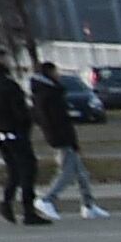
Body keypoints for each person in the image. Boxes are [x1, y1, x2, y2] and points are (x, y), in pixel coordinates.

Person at [0, 56, 43, 228]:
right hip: (16, 132)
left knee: (13, 171)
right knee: (28, 169)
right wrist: (26, 123)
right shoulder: (10, 86)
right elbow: (20, 110)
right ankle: (28, 211)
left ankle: (7, 203)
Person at [34, 64, 99, 219]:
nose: (59, 74)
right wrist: (70, 141)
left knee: (82, 173)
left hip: (61, 137)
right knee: (67, 173)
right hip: (61, 139)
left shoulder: (46, 93)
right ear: (49, 73)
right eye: (56, 71)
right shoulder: (49, 95)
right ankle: (47, 199)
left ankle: (88, 205)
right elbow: (60, 121)